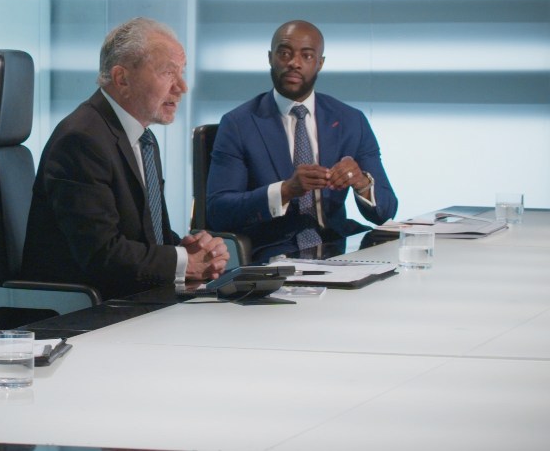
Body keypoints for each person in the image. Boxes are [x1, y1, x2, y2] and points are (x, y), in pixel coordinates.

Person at [21, 17, 229, 300]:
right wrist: (184, 263)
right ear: (122, 78)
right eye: (169, 73)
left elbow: (144, 233)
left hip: (139, 297)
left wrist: (190, 248)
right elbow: (102, 253)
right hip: (93, 310)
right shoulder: (81, 140)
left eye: (181, 72)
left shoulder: (144, 140)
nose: (182, 87)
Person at [206, 20, 398, 261]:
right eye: (284, 53)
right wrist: (285, 190)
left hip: (338, 244)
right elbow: (218, 211)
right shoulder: (239, 124)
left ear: (320, 63)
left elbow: (387, 211)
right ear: (270, 58)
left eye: (306, 56)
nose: (294, 63)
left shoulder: (351, 121)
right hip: (276, 251)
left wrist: (361, 183)